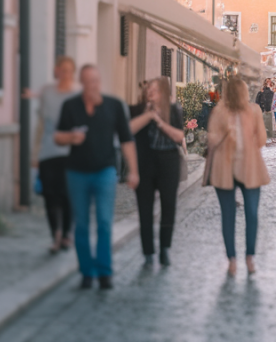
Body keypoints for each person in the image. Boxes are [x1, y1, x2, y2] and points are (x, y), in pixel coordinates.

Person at [55, 65, 138, 290]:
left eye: (95, 81)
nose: (92, 85)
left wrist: (134, 170)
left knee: (104, 222)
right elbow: (58, 137)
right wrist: (71, 137)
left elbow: (126, 140)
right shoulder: (70, 106)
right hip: (76, 173)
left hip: (104, 172)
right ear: (82, 83)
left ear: (99, 82)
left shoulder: (113, 106)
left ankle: (104, 272)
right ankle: (86, 272)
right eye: (87, 82)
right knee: (81, 225)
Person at [207, 77, 271, 277]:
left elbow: (212, 138)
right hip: (236, 168)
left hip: (237, 167)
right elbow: (261, 140)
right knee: (247, 213)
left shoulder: (231, 111)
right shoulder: (241, 111)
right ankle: (244, 258)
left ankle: (236, 260)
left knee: (233, 215)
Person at [129, 76, 184, 268]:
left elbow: (179, 137)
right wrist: (148, 115)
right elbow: (128, 131)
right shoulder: (135, 110)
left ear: (163, 93)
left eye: (155, 89)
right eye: (148, 89)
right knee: (145, 208)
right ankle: (148, 253)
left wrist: (160, 122)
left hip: (169, 163)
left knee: (169, 206)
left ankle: (165, 250)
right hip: (144, 163)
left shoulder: (174, 110)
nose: (150, 92)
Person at [28, 56, 79, 254]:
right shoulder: (47, 92)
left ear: (72, 73)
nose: (65, 73)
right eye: (62, 69)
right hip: (48, 152)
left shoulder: (77, 93)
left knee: (67, 195)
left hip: (71, 153)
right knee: (50, 196)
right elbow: (41, 125)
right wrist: (35, 154)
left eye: (69, 70)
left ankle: (66, 234)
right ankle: (55, 235)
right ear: (56, 71)